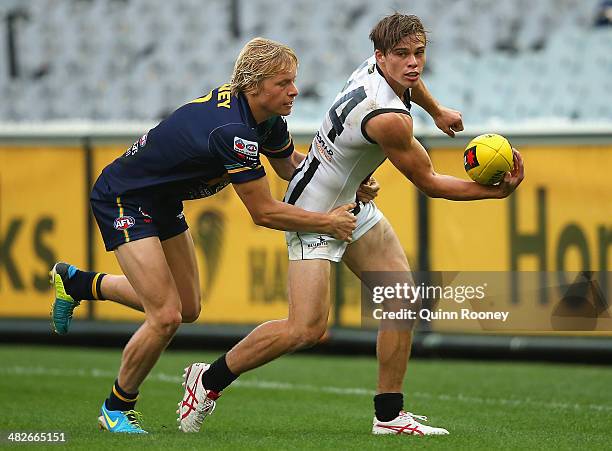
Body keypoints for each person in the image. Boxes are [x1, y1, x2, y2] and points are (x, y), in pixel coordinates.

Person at [179, 14, 524, 436]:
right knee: (305, 328)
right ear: (381, 55)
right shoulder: (389, 118)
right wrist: (498, 193)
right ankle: (206, 380)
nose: (413, 63)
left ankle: (389, 416)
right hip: (314, 210)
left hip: (350, 202)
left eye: (419, 53)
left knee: (401, 298)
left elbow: (408, 81)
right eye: (402, 55)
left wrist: (435, 110)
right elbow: (431, 183)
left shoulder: (377, 68)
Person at [49, 37, 378, 434]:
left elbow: (291, 166)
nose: (294, 90)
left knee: (187, 308)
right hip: (124, 198)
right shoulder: (232, 131)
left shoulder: (267, 116)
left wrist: (349, 183)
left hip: (162, 199)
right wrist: (329, 222)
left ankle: (78, 282)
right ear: (254, 86)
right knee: (166, 315)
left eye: (294, 81)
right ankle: (116, 407)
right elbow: (264, 212)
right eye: (283, 83)